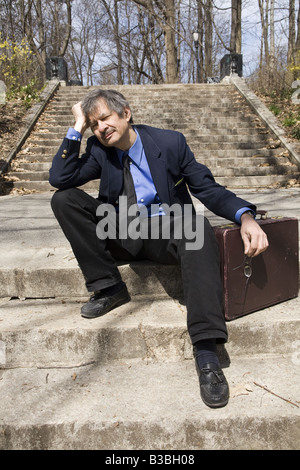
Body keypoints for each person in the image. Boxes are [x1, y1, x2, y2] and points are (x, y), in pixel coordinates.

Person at [49, 89, 268, 409]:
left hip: (164, 231)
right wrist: (77, 127)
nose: (101, 128)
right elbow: (60, 177)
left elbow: (207, 188)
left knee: (195, 225)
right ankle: (108, 287)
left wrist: (245, 216)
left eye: (105, 118)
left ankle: (207, 351)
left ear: (125, 113)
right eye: (95, 124)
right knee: (63, 199)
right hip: (119, 230)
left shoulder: (170, 143)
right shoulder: (98, 149)